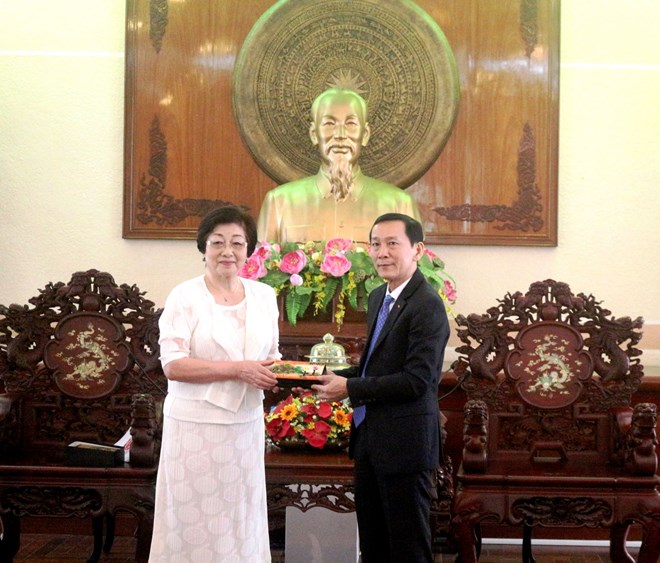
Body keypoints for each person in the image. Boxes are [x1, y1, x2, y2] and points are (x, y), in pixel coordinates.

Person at [312, 212, 450, 562]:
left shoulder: (427, 306)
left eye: (392, 243)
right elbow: (375, 365)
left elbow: (417, 381)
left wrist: (351, 389)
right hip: (371, 440)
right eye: (375, 244)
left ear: (417, 249)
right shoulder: (379, 297)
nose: (381, 252)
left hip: (405, 445)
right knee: (374, 544)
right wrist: (319, 375)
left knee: (408, 549)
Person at [149, 205, 280, 562]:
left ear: (248, 250)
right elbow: (173, 365)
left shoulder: (265, 296)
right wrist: (237, 369)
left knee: (241, 519)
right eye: (218, 242)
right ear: (203, 247)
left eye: (237, 243)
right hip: (195, 427)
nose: (228, 251)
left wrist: (282, 375)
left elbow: (271, 354)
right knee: (192, 518)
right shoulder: (184, 296)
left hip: (245, 425)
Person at [257, 88, 421, 243]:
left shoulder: (399, 204)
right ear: (314, 134)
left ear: (364, 135)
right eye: (329, 124)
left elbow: (412, 269)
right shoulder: (279, 202)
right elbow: (266, 267)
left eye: (351, 124)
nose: (340, 135)